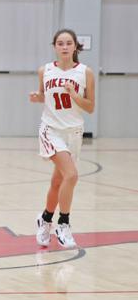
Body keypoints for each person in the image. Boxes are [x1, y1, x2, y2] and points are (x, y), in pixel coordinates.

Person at [29, 28, 95, 249]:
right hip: (51, 130)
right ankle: (63, 224)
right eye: (60, 43)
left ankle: (45, 219)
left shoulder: (85, 73)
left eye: (68, 43)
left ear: (75, 46)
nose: (64, 46)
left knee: (58, 182)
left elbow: (90, 107)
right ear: (55, 47)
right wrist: (37, 97)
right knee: (72, 175)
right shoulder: (45, 70)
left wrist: (74, 95)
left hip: (74, 132)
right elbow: (42, 97)